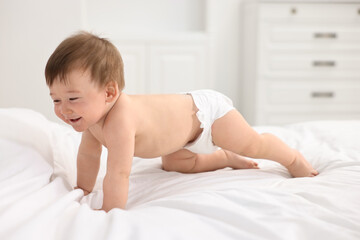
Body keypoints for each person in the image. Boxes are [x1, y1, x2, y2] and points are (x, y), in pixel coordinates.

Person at [45, 32, 318, 212]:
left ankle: (292, 158)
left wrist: (109, 213)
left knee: (252, 144)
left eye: (72, 98)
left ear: (109, 93)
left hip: (206, 116)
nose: (64, 110)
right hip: (180, 139)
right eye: (56, 100)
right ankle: (224, 158)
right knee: (175, 163)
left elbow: (118, 173)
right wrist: (83, 189)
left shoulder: (120, 120)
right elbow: (88, 155)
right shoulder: (93, 120)